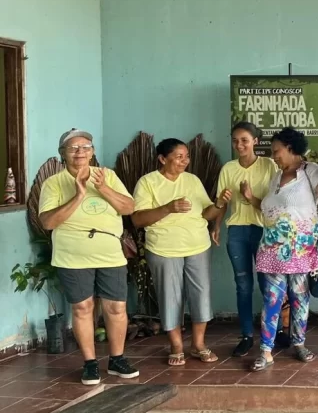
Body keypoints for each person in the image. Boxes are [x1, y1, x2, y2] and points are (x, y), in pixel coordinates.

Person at [39, 129, 138, 385]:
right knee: (83, 308)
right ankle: (90, 364)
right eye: (73, 148)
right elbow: (48, 222)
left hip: (110, 254)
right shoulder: (53, 183)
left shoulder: (108, 176)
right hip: (73, 255)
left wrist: (103, 188)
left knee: (116, 307)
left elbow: (129, 207)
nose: (80, 152)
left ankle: (117, 359)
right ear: (62, 154)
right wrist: (79, 195)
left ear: (92, 152)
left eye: (85, 147)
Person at [250, 128, 318, 371]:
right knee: (272, 299)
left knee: (300, 299)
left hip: (300, 251)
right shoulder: (276, 177)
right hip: (272, 249)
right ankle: (266, 351)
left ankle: (298, 344)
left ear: (291, 148)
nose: (274, 156)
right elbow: (271, 208)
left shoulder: (310, 171)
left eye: (277, 151)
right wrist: (251, 198)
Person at [132, 138, 223, 367]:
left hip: (197, 246)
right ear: (163, 159)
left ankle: (198, 344)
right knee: (169, 295)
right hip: (163, 248)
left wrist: (220, 204)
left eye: (187, 156)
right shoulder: (148, 183)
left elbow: (207, 214)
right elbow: (137, 219)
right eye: (179, 156)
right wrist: (167, 208)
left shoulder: (192, 180)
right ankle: (176, 345)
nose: (185, 161)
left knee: (201, 294)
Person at [214, 122, 278, 357]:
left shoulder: (269, 166)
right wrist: (217, 225)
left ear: (255, 142)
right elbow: (221, 202)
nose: (239, 145)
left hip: (263, 229)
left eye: (244, 140)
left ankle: (274, 331)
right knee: (243, 285)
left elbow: (275, 203)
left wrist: (250, 197)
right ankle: (247, 335)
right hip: (238, 230)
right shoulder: (228, 169)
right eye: (235, 140)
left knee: (268, 284)